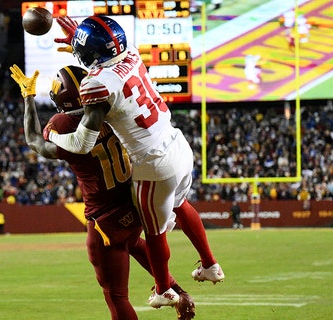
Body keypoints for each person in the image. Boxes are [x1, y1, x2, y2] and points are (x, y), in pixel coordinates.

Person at [50, 15, 223, 308]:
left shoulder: (95, 84)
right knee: (181, 205)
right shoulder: (131, 54)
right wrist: (82, 45)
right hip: (177, 144)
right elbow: (105, 62)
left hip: (152, 162)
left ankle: (163, 289)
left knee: (154, 233)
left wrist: (53, 137)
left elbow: (82, 143)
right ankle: (209, 264)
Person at [10, 64, 195, 320]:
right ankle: (175, 290)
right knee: (134, 243)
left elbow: (34, 141)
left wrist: (28, 98)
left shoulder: (64, 124)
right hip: (134, 205)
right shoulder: (114, 111)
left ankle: (173, 290)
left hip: (105, 221)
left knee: (116, 297)